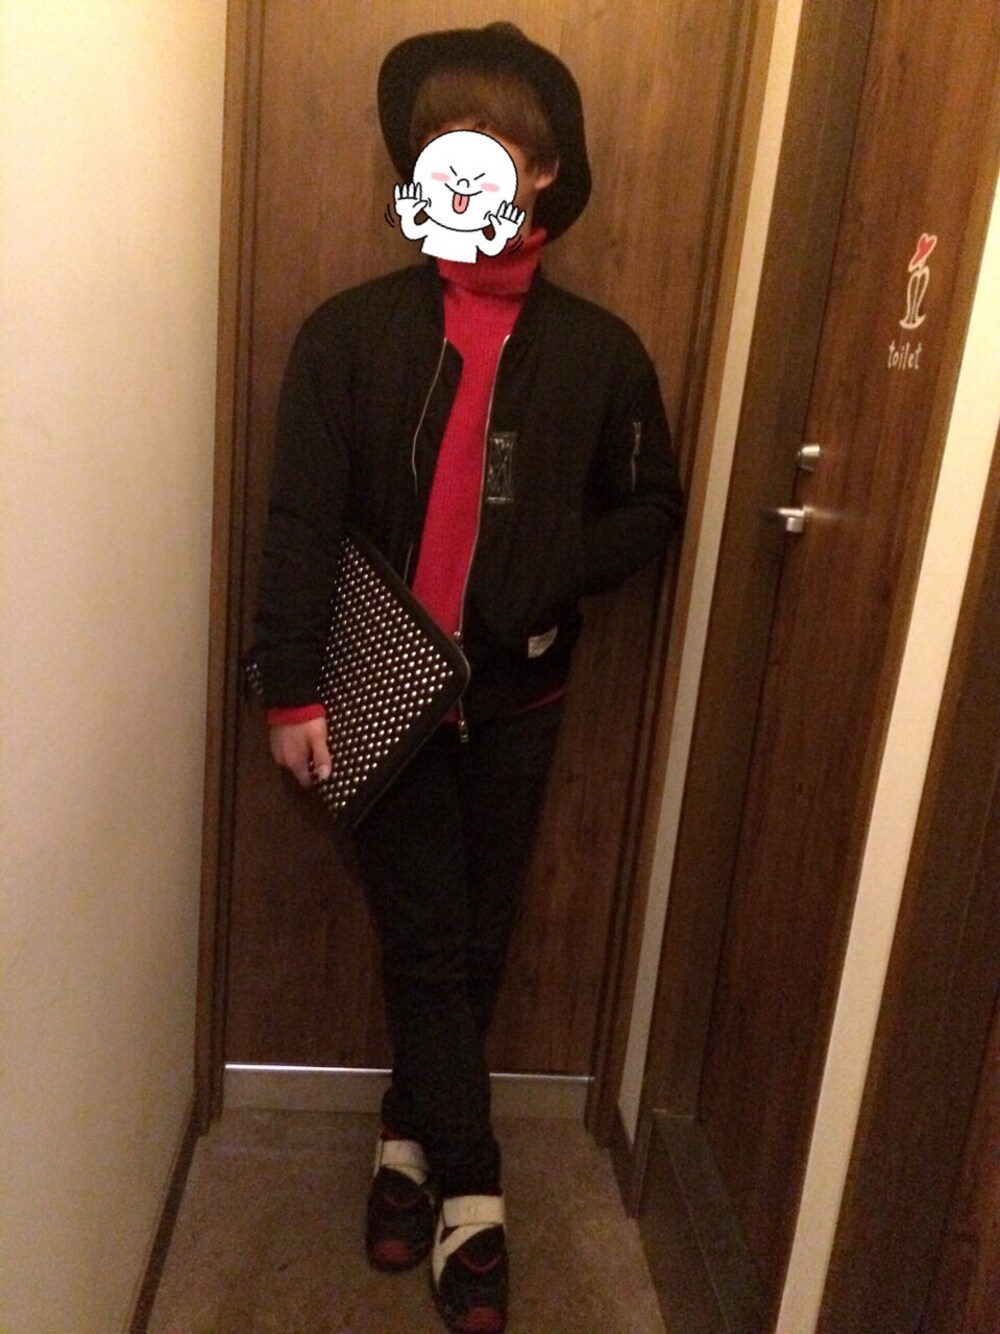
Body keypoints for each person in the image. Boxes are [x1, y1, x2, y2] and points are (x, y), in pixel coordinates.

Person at [253, 22, 683, 1334]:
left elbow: (655, 506)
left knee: (475, 940)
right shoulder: (347, 336)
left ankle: (406, 1138)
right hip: (378, 695)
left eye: (494, 144)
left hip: (516, 701)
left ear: (543, 171)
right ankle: (475, 1192)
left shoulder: (602, 351)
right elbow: (300, 521)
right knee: (429, 940)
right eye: (443, 143)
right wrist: (290, 690)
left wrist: (556, 564)